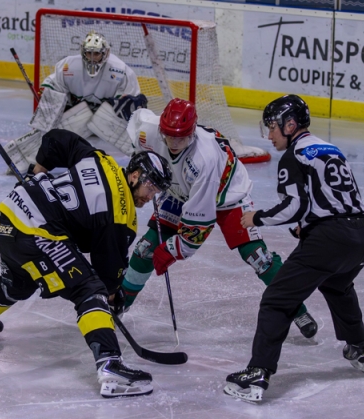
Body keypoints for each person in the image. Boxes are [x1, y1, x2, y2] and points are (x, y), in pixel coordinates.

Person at [0, 128, 172, 399]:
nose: (150, 197)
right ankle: (110, 365)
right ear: (135, 175)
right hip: (36, 231)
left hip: (8, 220)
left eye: (157, 191)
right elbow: (107, 277)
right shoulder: (121, 216)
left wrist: (36, 172)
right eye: (151, 187)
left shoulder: (101, 160)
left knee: (21, 282)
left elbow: (57, 138)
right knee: (89, 290)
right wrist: (112, 298)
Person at [120, 98, 318, 338]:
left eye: (180, 138)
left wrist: (171, 251)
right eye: (168, 136)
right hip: (180, 189)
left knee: (258, 257)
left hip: (227, 196)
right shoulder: (149, 131)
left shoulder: (205, 159)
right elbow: (137, 118)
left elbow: (197, 229)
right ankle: (119, 303)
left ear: (192, 133)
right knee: (145, 249)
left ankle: (297, 308)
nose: (173, 143)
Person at [224, 95, 364, 404]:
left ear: (290, 125)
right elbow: (334, 199)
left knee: (276, 300)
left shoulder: (294, 156)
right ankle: (358, 346)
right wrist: (307, 225)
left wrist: (257, 217)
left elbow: (295, 206)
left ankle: (258, 371)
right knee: (338, 284)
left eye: (273, 128)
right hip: (362, 236)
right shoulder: (330, 149)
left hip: (330, 239)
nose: (269, 135)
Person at [4, 30, 147, 173]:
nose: (92, 58)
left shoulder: (120, 70)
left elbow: (133, 101)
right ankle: (23, 163)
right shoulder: (69, 65)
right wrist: (47, 114)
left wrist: (129, 106)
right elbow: (54, 86)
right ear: (83, 52)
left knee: (130, 135)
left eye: (96, 54)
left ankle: (143, 164)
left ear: (105, 53)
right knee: (51, 135)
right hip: (80, 113)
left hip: (106, 116)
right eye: (89, 53)